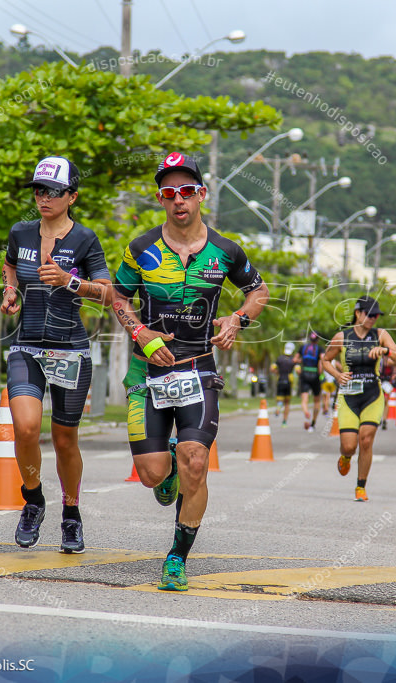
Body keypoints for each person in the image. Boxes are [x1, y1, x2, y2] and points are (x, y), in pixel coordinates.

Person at [111, 152, 268, 591]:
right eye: (168, 192)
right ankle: (170, 474)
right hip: (148, 373)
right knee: (152, 473)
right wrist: (141, 333)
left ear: (202, 194)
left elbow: (260, 291)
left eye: (186, 191)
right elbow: (119, 298)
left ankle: (177, 558)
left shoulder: (226, 250)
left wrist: (238, 319)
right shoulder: (141, 248)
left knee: (195, 460)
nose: (177, 199)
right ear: (161, 199)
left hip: (199, 369)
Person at [0, 156, 112, 554]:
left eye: (53, 192)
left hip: (70, 348)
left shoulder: (85, 239)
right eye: (38, 190)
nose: (43, 198)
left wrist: (70, 281)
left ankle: (71, 515)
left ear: (72, 196)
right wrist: (10, 290)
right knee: (26, 427)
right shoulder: (21, 232)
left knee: (65, 440)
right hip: (27, 344)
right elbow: (10, 266)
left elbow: (106, 291)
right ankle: (32, 500)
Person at [321, 296, 396, 502]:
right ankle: (346, 457)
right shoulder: (342, 337)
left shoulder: (380, 335)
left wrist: (386, 351)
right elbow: (326, 360)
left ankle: (361, 486)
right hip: (349, 396)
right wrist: (338, 375)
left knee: (366, 440)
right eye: (369, 314)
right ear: (357, 313)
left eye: (376, 315)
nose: (373, 319)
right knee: (349, 445)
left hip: (372, 394)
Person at [294, 331, 324, 431]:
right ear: (318, 340)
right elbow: (322, 361)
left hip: (304, 373)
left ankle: (306, 411)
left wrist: (301, 361)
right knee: (316, 400)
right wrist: (321, 374)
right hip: (315, 374)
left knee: (304, 398)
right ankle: (313, 422)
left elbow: (295, 360)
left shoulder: (303, 348)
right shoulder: (320, 349)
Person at [270, 342, 296, 426]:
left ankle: (278, 407)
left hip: (280, 380)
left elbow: (272, 368)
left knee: (279, 399)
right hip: (289, 382)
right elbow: (298, 370)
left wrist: (277, 372)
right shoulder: (293, 360)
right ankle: (284, 422)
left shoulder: (279, 359)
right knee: (287, 403)